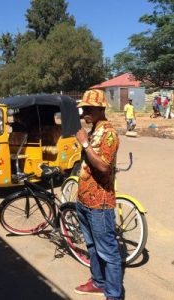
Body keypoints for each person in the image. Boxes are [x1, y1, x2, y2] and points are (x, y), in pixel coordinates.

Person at [74, 89, 123, 300]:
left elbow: (103, 167)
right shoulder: (94, 130)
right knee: (92, 246)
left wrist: (85, 143)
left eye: (89, 109)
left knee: (108, 252)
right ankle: (98, 282)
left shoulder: (109, 133)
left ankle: (113, 294)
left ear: (101, 109)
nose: (84, 112)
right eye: (83, 108)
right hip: (85, 200)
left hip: (100, 203)